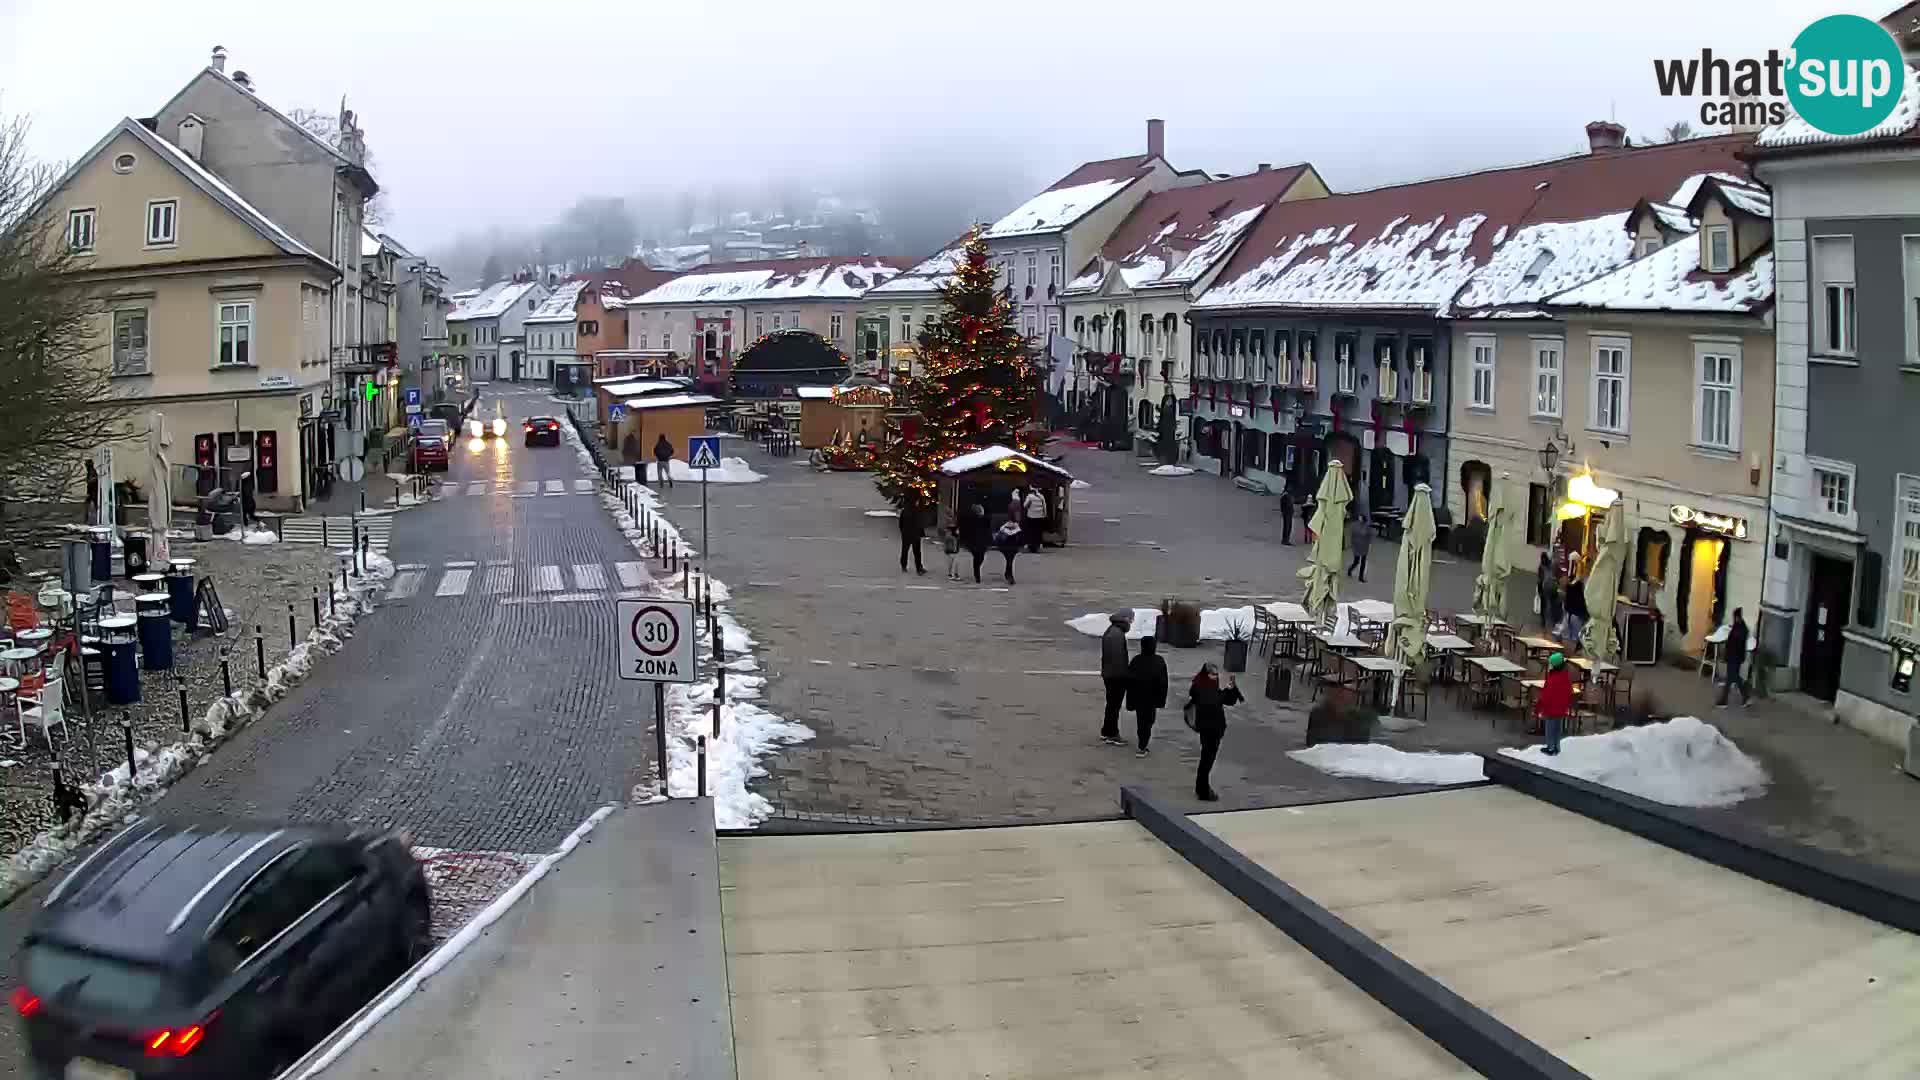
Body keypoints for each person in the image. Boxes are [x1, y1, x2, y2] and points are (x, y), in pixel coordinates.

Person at [1187, 663, 1243, 798]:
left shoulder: (1206, 686)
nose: (1215, 677)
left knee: (1207, 758)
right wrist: (1227, 692)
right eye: (1212, 674)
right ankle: (1203, 789)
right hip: (1210, 729)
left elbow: (1225, 700)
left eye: (1216, 675)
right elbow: (1214, 700)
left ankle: (1202, 787)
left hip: (1211, 728)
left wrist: (1229, 690)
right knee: (1207, 759)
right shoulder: (1202, 688)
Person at [1126, 636, 1170, 757]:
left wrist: (1130, 701)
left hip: (1139, 698)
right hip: (1152, 699)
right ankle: (1142, 746)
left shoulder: (1136, 660)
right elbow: (1163, 683)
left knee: (1141, 722)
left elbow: (1129, 682)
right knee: (1148, 722)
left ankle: (1142, 744)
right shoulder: (1159, 661)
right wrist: (1161, 700)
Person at [1099, 611, 1134, 746]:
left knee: (1111, 705)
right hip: (1116, 676)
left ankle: (1106, 730)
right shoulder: (1116, 635)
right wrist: (1124, 676)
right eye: (1131, 619)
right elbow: (1117, 659)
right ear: (1125, 618)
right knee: (1114, 706)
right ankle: (1112, 734)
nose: (1131, 622)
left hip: (1110, 674)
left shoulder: (1113, 631)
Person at [1535, 652, 1575, 754]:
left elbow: (1545, 695)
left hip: (1550, 709)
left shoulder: (1551, 678)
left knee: (1549, 729)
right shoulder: (1565, 677)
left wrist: (1539, 707)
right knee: (1557, 729)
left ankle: (1550, 747)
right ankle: (1557, 747)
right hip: (1561, 708)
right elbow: (1570, 692)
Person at [1717, 607, 1752, 708]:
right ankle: (1745, 698)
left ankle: (1724, 701)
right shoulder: (1738, 627)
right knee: (1733, 677)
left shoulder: (1741, 629)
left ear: (1738, 617)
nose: (1734, 619)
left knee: (1731, 678)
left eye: (1735, 617)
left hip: (1735, 657)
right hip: (1733, 656)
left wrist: (1728, 651)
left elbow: (1736, 643)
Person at [960, 502, 991, 584]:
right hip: (974, 542)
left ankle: (976, 571)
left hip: (981, 542)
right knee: (977, 557)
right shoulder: (972, 520)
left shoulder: (985, 520)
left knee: (980, 558)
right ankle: (977, 574)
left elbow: (987, 530)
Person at [1561, 575, 1588, 648]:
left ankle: (1567, 655)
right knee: (1572, 638)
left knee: (1568, 638)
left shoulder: (1571, 580)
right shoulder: (1581, 582)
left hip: (1572, 614)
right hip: (1575, 614)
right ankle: (1569, 655)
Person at [898, 505, 926, 575]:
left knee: (905, 550)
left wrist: (903, 531)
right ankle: (919, 568)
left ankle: (903, 566)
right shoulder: (918, 511)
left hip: (906, 534)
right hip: (915, 535)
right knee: (917, 552)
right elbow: (920, 523)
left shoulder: (904, 511)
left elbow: (900, 523)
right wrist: (922, 533)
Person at [993, 518, 1024, 583]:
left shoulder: (1005, 529)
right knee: (1010, 561)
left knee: (1009, 561)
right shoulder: (1015, 530)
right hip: (1008, 547)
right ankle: (1009, 575)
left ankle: (1008, 574)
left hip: (1010, 547)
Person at [1347, 512, 1374, 582]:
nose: (1360, 518)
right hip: (1357, 546)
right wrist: (1352, 545)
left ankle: (1361, 577)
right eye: (1359, 517)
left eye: (1361, 517)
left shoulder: (1366, 526)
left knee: (1363, 562)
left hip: (1364, 546)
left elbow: (1369, 536)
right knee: (1356, 561)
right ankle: (1350, 569)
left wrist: (1370, 544)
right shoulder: (1355, 525)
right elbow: (1352, 535)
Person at [1023, 486, 1049, 553]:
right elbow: (1045, 507)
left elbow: (1024, 505)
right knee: (1038, 532)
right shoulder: (1041, 496)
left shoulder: (1030, 496)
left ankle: (1031, 546)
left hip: (1031, 517)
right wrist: (1045, 515)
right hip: (1040, 517)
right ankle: (1038, 545)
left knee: (1031, 532)